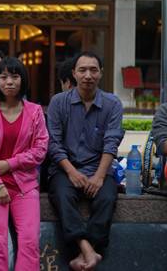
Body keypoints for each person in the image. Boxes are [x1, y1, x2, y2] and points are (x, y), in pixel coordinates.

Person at [47, 51, 124, 271]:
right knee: (62, 196)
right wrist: (71, 172)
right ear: (74, 73)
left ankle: (86, 252)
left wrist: (99, 177)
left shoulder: (112, 104)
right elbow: (53, 144)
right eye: (82, 70)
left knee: (107, 198)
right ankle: (87, 249)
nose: (88, 75)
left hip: (99, 168)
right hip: (65, 168)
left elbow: (111, 143)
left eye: (93, 70)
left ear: (101, 73)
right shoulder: (58, 102)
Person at [0, 56, 49, 271]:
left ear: (23, 80)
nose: (9, 82)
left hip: (25, 185)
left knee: (29, 240)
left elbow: (40, 150)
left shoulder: (35, 112)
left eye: (15, 77)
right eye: (4, 77)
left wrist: (9, 164)